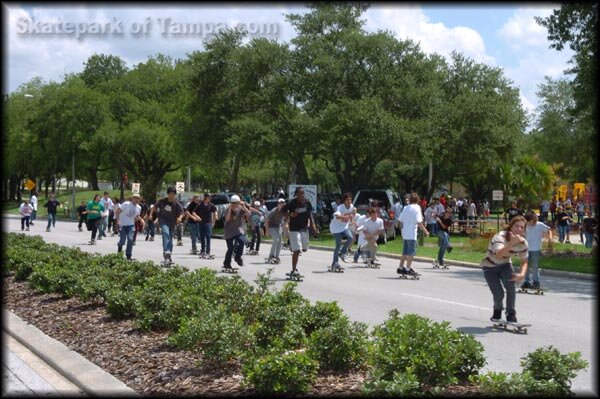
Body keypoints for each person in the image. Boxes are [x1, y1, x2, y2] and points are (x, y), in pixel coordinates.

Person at [481, 215, 528, 324]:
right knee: (499, 293)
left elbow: (524, 261)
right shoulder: (499, 237)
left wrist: (522, 274)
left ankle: (511, 315)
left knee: (511, 288)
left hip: (505, 265)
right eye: (517, 226)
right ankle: (497, 313)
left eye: (522, 227)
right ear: (511, 226)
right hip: (489, 267)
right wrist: (511, 243)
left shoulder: (523, 243)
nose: (519, 229)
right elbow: (498, 255)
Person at [281, 187, 319, 277]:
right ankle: (294, 270)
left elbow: (310, 215)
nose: (302, 195)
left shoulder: (307, 202)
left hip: (304, 229)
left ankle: (294, 247)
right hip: (294, 228)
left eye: (303, 193)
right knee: (297, 250)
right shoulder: (292, 202)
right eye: (300, 193)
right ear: (296, 194)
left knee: (304, 249)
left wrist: (313, 226)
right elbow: (283, 210)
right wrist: (290, 214)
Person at [397, 192, 429, 276]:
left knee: (404, 252)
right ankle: (408, 269)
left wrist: (401, 230)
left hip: (405, 233)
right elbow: (419, 222)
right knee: (411, 253)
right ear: (417, 200)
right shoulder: (417, 207)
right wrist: (425, 231)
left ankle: (400, 267)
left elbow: (400, 220)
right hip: (411, 233)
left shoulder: (405, 207)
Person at [153, 187, 184, 265]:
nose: (172, 195)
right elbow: (154, 207)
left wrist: (180, 218)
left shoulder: (176, 203)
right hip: (163, 221)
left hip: (172, 223)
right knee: (165, 234)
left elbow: (182, 212)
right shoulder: (162, 201)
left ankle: (168, 255)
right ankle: (167, 252)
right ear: (168, 194)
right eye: (170, 194)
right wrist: (154, 215)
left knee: (169, 239)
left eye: (173, 194)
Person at [522, 211, 552, 290]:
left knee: (535, 266)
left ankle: (536, 282)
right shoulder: (525, 226)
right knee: (526, 266)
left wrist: (550, 238)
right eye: (526, 221)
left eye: (529, 221)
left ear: (533, 219)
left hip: (535, 249)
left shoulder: (539, 225)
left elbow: (549, 230)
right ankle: (526, 281)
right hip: (526, 249)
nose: (528, 223)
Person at [223, 195, 251, 270]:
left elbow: (249, 214)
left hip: (237, 231)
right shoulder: (228, 209)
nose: (236, 205)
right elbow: (227, 219)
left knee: (242, 242)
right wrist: (229, 208)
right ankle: (226, 263)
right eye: (234, 203)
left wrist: (244, 206)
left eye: (237, 203)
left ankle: (238, 258)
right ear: (231, 203)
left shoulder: (240, 209)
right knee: (230, 249)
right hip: (228, 232)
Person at [328, 192, 355, 271]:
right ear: (344, 200)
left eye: (350, 199)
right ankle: (335, 263)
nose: (349, 201)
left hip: (344, 227)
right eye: (347, 200)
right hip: (335, 227)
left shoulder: (352, 206)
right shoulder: (340, 207)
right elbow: (337, 216)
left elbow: (351, 215)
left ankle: (342, 252)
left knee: (350, 238)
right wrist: (346, 217)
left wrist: (351, 220)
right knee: (338, 244)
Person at [115, 194, 144, 261]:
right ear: (132, 198)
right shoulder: (126, 204)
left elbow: (136, 217)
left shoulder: (139, 207)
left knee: (131, 239)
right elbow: (117, 211)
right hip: (123, 225)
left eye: (138, 198)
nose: (136, 200)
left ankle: (128, 255)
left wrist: (141, 220)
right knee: (122, 241)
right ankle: (119, 248)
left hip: (131, 225)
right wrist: (118, 220)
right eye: (135, 198)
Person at [194, 193, 217, 258]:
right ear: (205, 197)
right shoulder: (200, 205)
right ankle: (203, 250)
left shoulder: (211, 205)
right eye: (208, 197)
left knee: (208, 236)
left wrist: (213, 222)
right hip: (201, 223)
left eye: (210, 197)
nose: (209, 198)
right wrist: (197, 217)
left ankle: (208, 251)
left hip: (208, 222)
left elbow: (214, 213)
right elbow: (194, 212)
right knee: (202, 237)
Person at [265, 198, 287, 263]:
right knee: (276, 240)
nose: (282, 205)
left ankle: (277, 256)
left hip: (278, 226)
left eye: (283, 204)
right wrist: (267, 231)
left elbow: (286, 220)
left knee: (280, 242)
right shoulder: (274, 211)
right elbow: (266, 220)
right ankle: (271, 256)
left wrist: (285, 229)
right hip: (271, 226)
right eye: (280, 204)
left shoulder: (284, 211)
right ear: (278, 204)